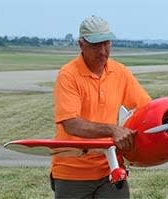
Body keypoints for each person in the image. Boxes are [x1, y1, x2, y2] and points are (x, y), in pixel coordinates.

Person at [51, 15, 151, 199]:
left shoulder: (119, 72)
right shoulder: (68, 75)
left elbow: (147, 108)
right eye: (96, 45)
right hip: (73, 172)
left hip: (111, 167)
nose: (103, 51)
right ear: (81, 45)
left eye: (107, 43)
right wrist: (113, 130)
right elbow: (71, 124)